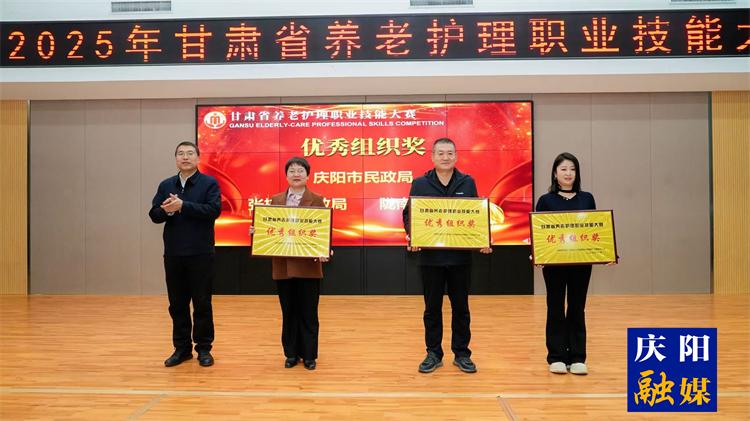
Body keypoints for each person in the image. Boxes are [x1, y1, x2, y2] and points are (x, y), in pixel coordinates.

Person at [402, 138, 492, 374]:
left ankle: (462, 354)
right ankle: (433, 353)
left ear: (456, 156)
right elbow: (408, 214)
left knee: (461, 308)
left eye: (450, 153)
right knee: (432, 309)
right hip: (431, 259)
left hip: (460, 258)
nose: (445, 157)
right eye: (440, 153)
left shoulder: (467, 182)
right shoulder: (420, 184)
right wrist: (413, 236)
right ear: (432, 157)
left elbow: (475, 216)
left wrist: (483, 240)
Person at [149, 141, 221, 367]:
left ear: (198, 158)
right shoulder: (166, 184)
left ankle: (204, 349)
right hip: (174, 253)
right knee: (177, 304)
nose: (185, 157)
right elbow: (154, 214)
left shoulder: (209, 183)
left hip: (201, 252)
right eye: (180, 153)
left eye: (190, 153)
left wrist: (183, 206)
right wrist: (167, 211)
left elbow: (213, 211)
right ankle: (181, 349)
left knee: (202, 303)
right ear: (176, 159)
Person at [534, 152, 596, 375]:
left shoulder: (587, 198)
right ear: (555, 173)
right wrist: (538, 254)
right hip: (554, 264)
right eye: (563, 169)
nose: (568, 173)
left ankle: (578, 357)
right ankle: (557, 357)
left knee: (577, 307)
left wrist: (605, 253)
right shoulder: (545, 200)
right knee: (555, 307)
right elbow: (539, 232)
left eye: (572, 169)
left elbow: (595, 229)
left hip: (581, 263)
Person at [266, 157, 329, 370]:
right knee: (289, 311)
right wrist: (257, 231)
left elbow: (324, 229)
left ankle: (309, 355)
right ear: (286, 175)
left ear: (308, 175)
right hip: (283, 265)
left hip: (308, 266)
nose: (296, 174)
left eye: (300, 170)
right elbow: (269, 226)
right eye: (292, 170)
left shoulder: (317, 199)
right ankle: (291, 354)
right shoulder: (276, 199)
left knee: (308, 312)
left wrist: (324, 248)